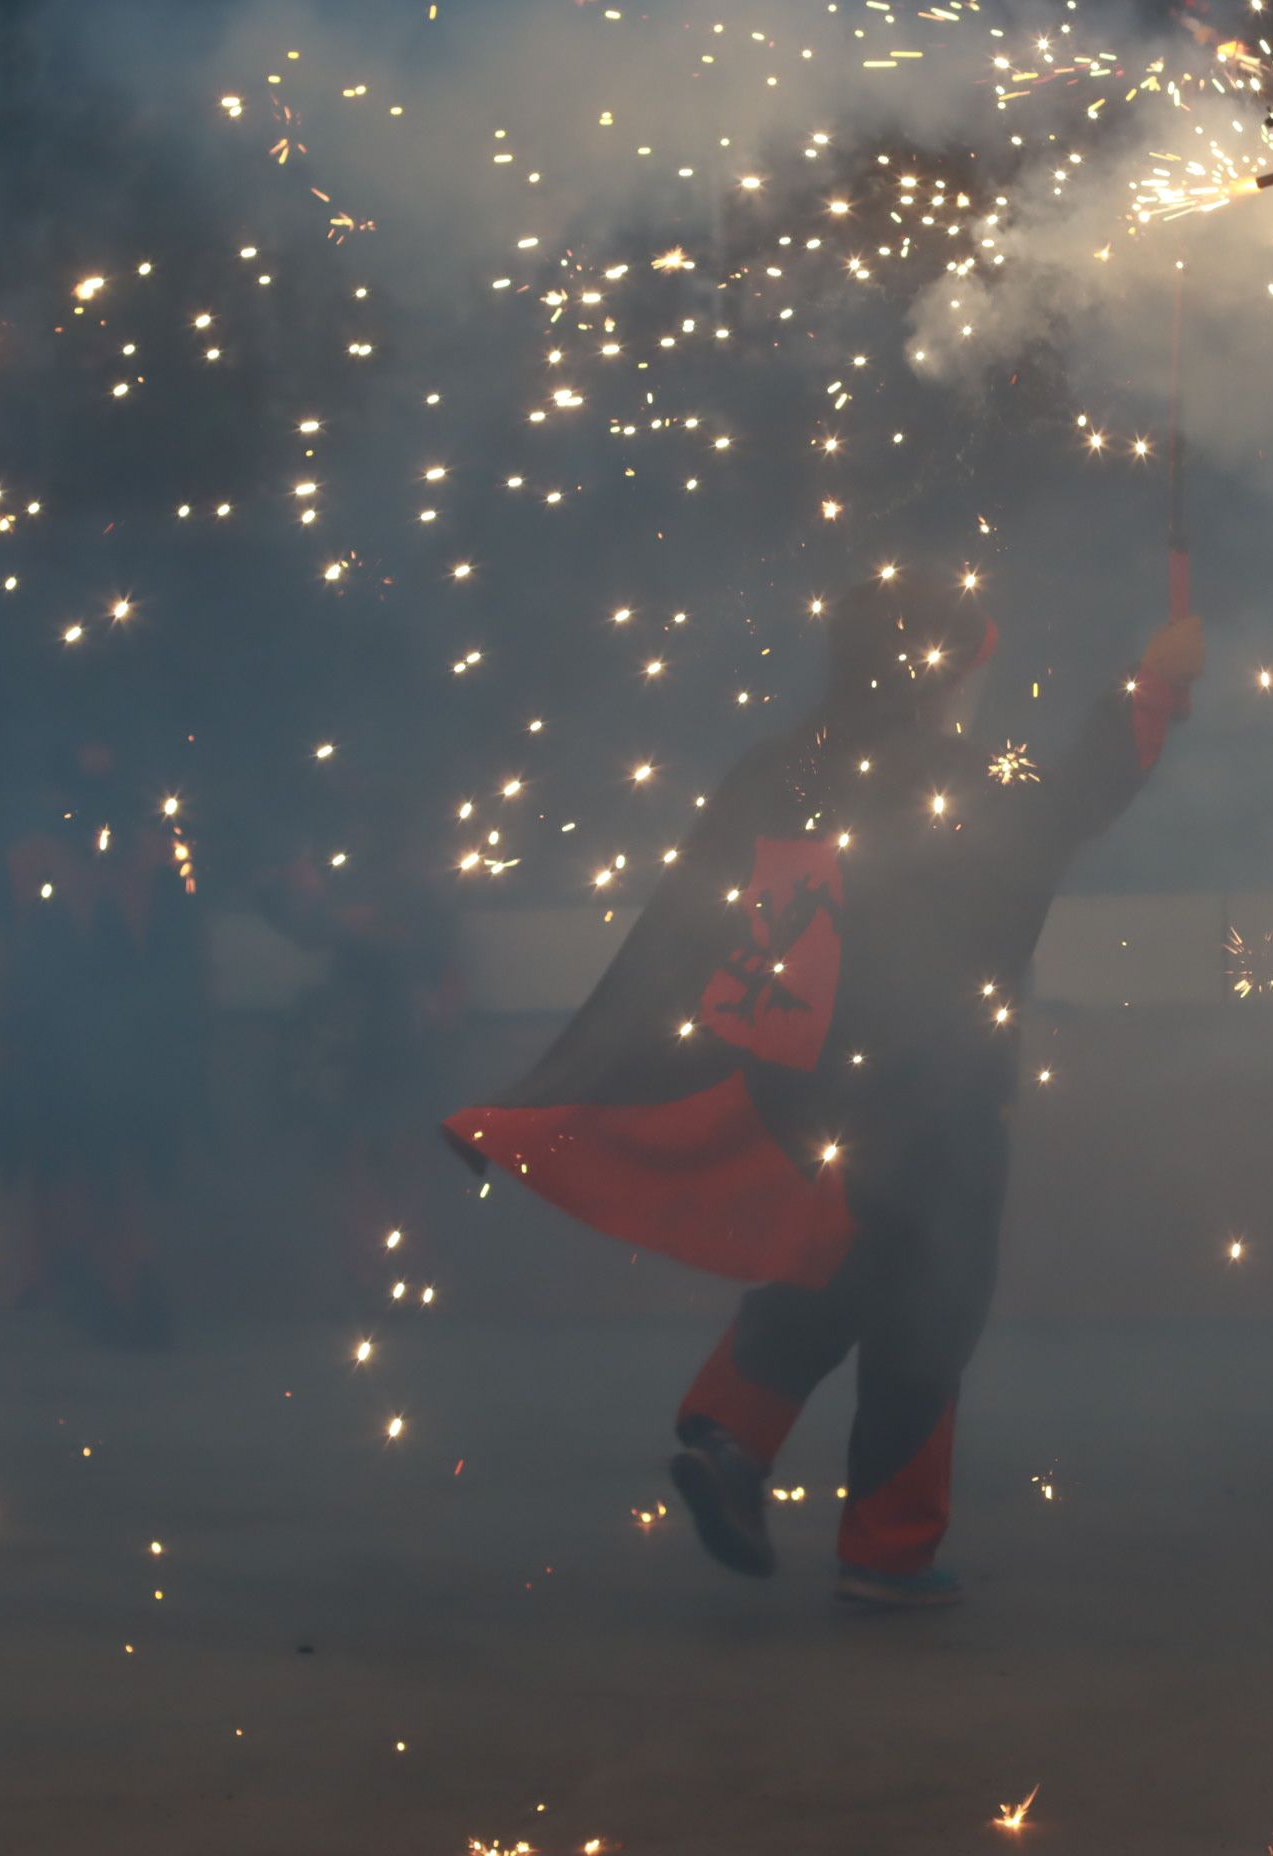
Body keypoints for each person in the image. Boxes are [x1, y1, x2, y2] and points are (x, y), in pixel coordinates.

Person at [448, 569, 1203, 1608]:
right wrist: (1152, 691)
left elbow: (719, 923)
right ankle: (886, 1548)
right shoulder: (954, 778)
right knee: (931, 1301)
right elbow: (1070, 799)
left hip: (813, 1089)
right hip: (937, 1089)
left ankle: (730, 1435)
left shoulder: (782, 765)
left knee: (834, 1258)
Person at [0, 743, 205, 1348]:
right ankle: (103, 1289)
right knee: (92, 1174)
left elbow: (5, 970)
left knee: (102, 1175)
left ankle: (117, 1290)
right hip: (97, 1047)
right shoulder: (152, 857)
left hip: (110, 1048)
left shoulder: (138, 859)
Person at [258, 792, 463, 1310]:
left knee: (383, 1155)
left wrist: (302, 893)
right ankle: (385, 1270)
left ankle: (389, 1270)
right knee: (375, 1155)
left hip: (388, 1039)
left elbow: (332, 929)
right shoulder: (413, 890)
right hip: (380, 1040)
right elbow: (320, 930)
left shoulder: (404, 891)